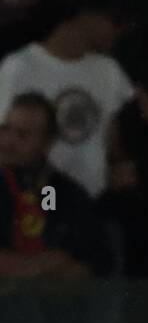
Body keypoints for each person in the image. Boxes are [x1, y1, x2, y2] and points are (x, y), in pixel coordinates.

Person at [0, 0, 133, 198]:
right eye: (116, 21)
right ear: (87, 14)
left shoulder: (109, 71)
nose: (120, 32)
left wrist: (120, 167)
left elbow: (113, 141)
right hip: (31, 202)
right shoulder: (19, 66)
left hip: (91, 204)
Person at [0, 92, 111, 278]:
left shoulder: (69, 194)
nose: (8, 141)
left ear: (48, 142)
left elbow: (93, 266)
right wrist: (46, 264)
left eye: (22, 134)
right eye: (5, 129)